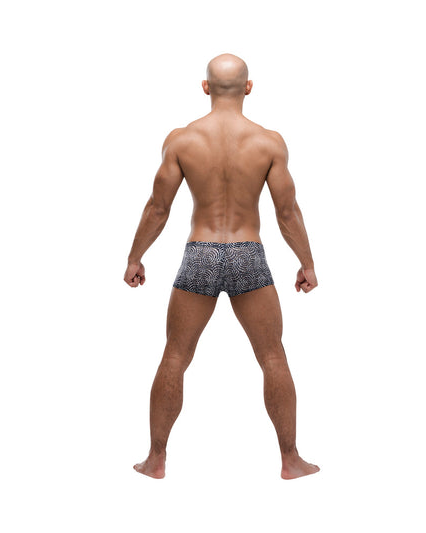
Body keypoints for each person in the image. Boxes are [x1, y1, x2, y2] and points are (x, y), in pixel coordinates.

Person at [124, 53, 319, 480]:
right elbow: (287, 212)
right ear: (248, 88)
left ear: (205, 87)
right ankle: (291, 460)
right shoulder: (268, 142)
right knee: (272, 356)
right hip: (248, 251)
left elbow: (158, 207)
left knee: (175, 355)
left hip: (202, 252)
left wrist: (136, 257)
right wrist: (306, 263)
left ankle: (155, 459)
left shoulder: (182, 140)